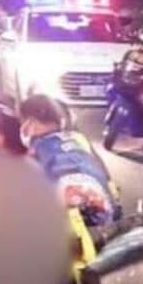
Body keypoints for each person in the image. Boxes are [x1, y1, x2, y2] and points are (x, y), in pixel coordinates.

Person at [18, 94, 121, 227]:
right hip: (107, 217)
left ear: (31, 123)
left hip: (72, 222)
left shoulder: (37, 151)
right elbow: (107, 180)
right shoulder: (80, 139)